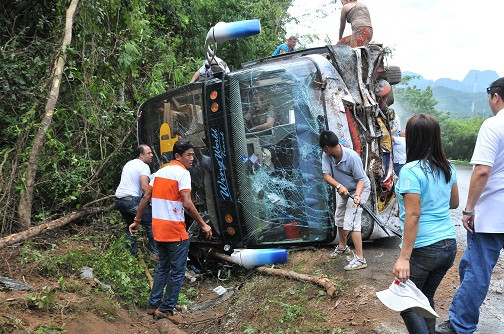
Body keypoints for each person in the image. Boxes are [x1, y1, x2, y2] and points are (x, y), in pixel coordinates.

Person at [437, 78, 504, 334]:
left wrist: (468, 209)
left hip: (492, 216)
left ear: (495, 97)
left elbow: (482, 171)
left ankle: (460, 325)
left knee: (476, 270)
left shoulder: (494, 125)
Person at [129, 140, 212, 323]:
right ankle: (165, 310)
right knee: (177, 271)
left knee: (163, 267)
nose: (192, 158)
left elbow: (145, 198)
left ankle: (153, 305)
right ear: (177, 156)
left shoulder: (158, 173)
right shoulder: (182, 173)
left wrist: (137, 221)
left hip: (159, 230)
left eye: (192, 154)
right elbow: (187, 202)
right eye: (188, 155)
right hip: (175, 231)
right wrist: (203, 224)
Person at [392, 114, 459, 334]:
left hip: (425, 248)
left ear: (412, 138)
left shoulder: (410, 171)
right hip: (448, 245)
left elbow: (413, 215)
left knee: (408, 304)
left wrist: (404, 257)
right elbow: (454, 202)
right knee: (424, 298)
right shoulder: (448, 167)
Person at [319, 130, 371, 270]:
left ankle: (360, 259)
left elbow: (361, 180)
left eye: (323, 148)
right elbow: (326, 175)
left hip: (360, 189)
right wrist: (339, 185)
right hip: (344, 189)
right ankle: (343, 247)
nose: (323, 151)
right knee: (340, 217)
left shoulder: (352, 157)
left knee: (352, 221)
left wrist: (358, 196)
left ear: (327, 147)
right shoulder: (327, 155)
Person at [114, 144, 158, 260]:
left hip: (119, 200)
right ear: (141, 155)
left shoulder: (129, 164)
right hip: (131, 200)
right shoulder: (143, 166)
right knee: (151, 223)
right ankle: (156, 254)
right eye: (149, 153)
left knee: (131, 225)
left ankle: (131, 255)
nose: (152, 155)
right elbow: (145, 188)